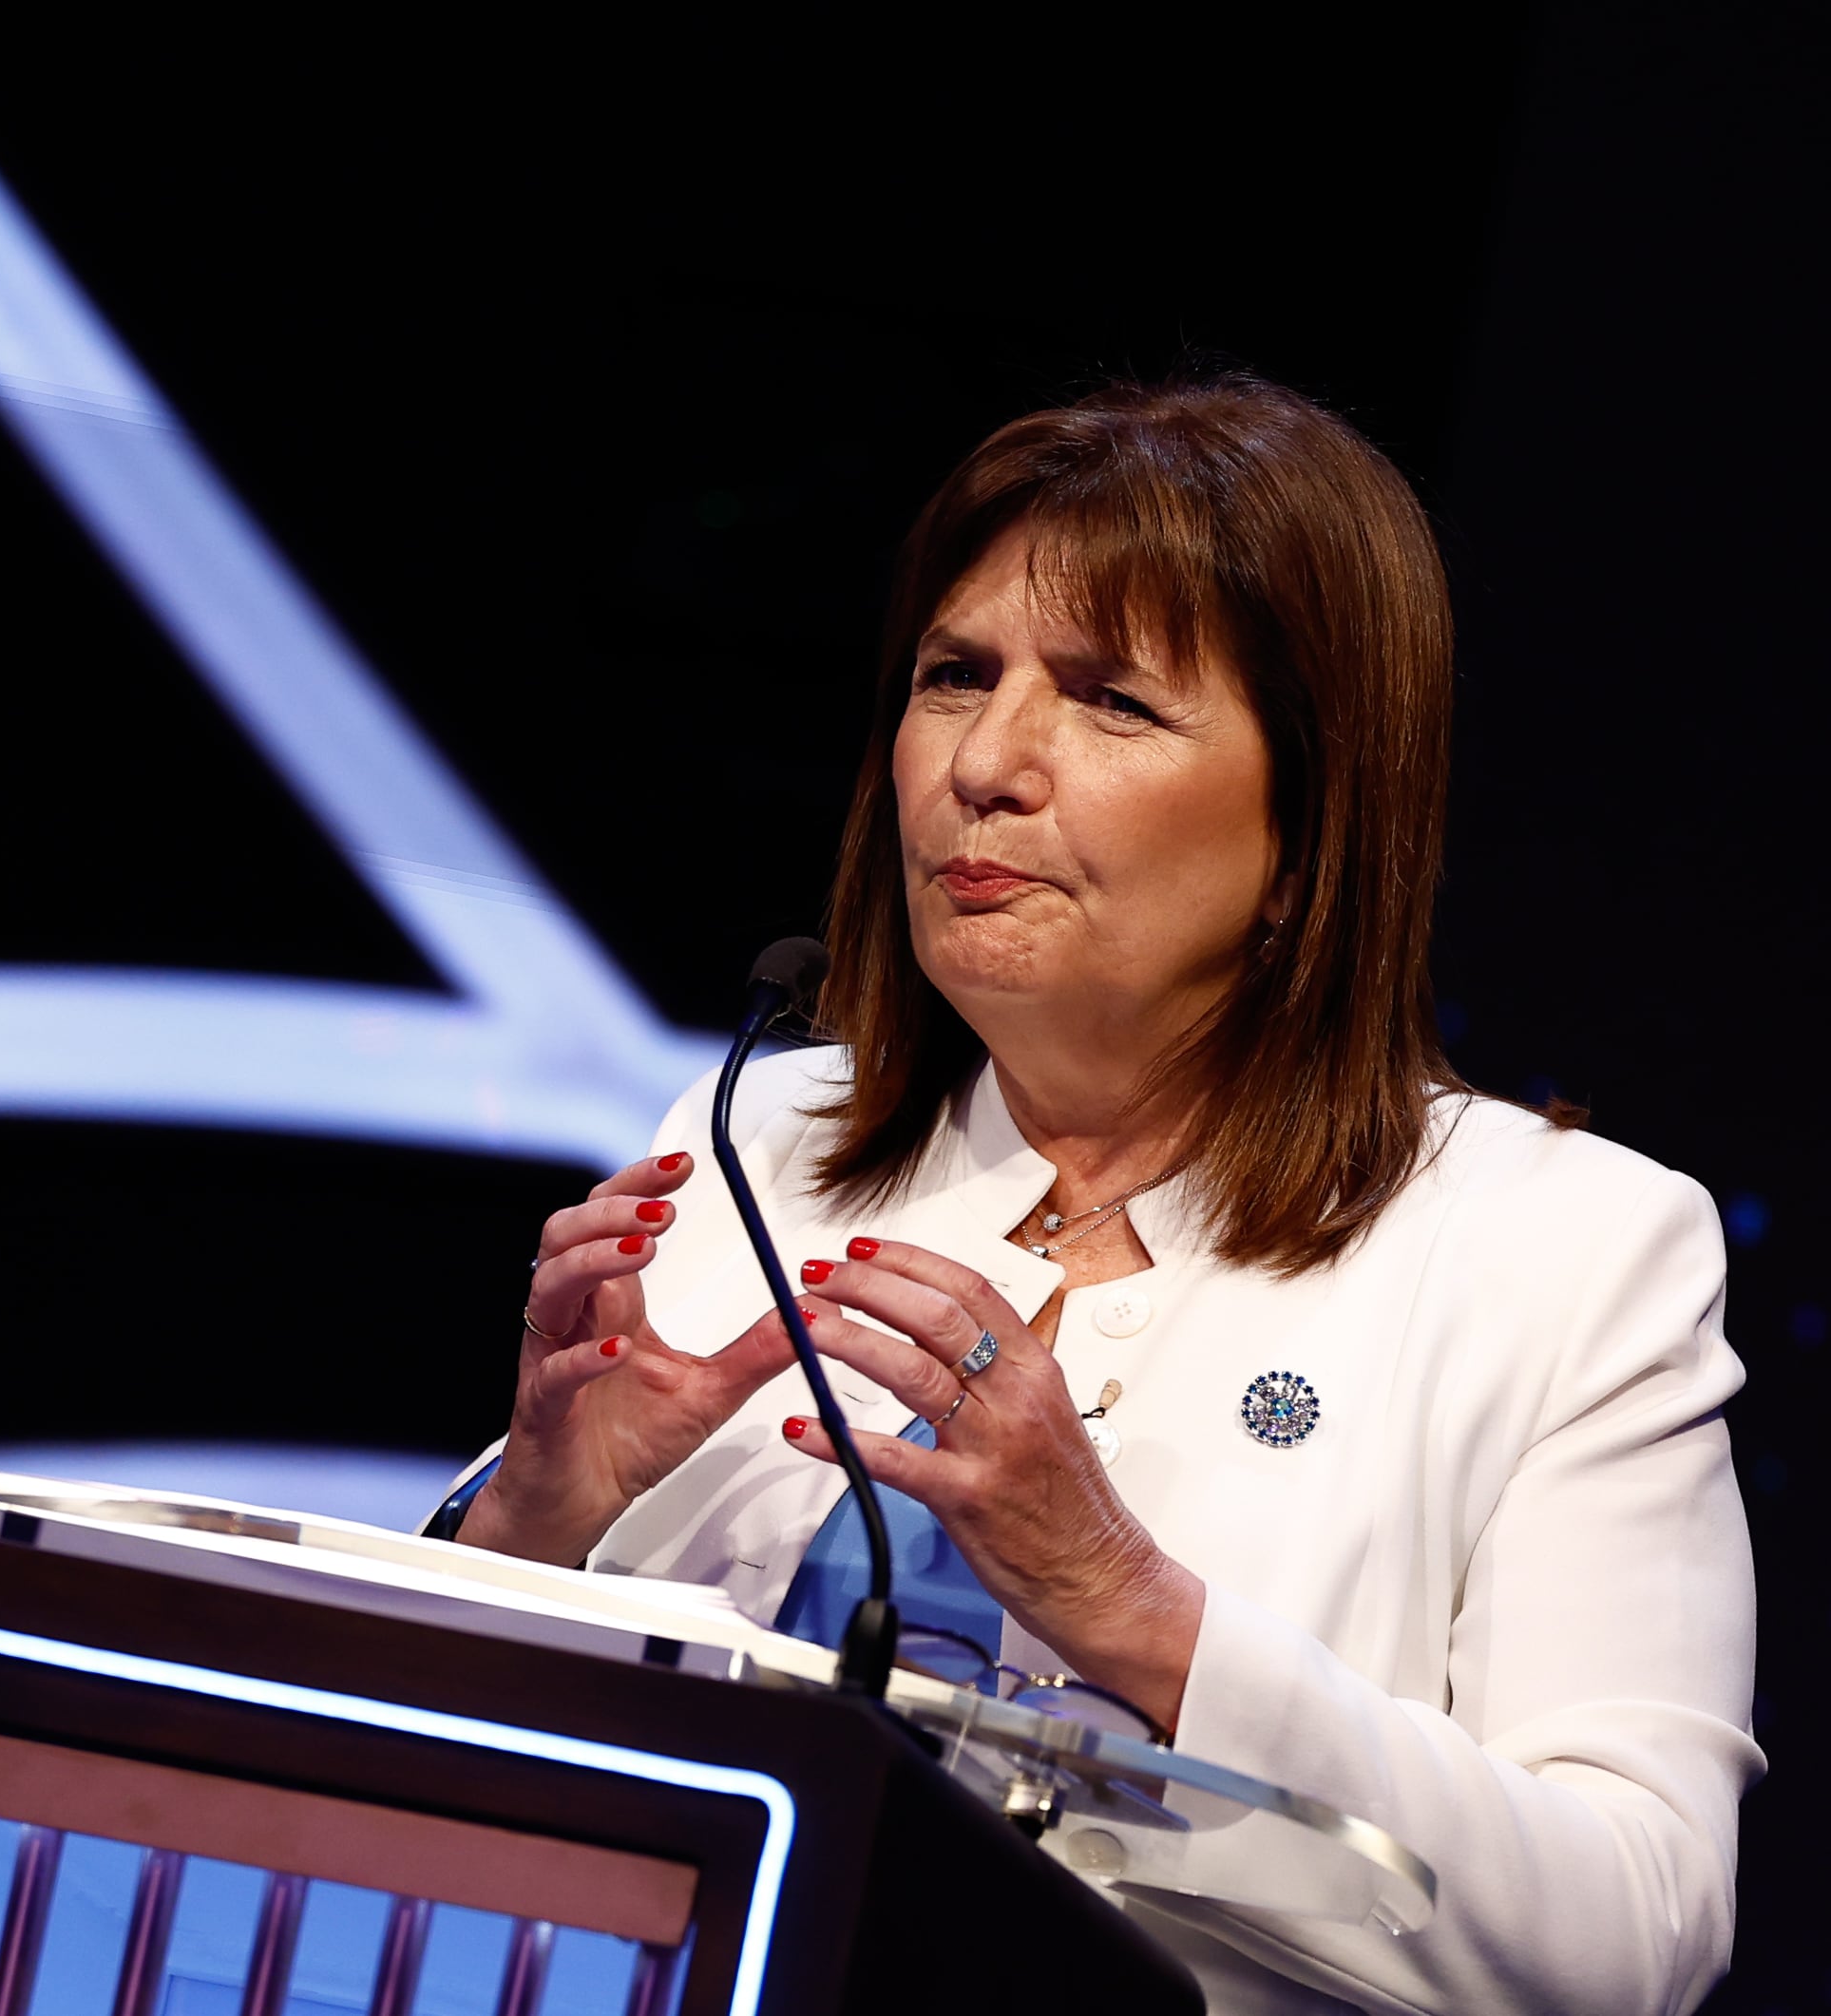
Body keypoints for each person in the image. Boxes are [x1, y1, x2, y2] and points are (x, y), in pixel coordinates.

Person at [445, 375, 1760, 2016]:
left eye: (1112, 702)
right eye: (952, 677)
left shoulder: (1561, 1248)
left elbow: (1631, 1931)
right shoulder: (761, 1141)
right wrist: (531, 1525)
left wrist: (1130, 1611)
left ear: (1309, 828)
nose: (984, 763)